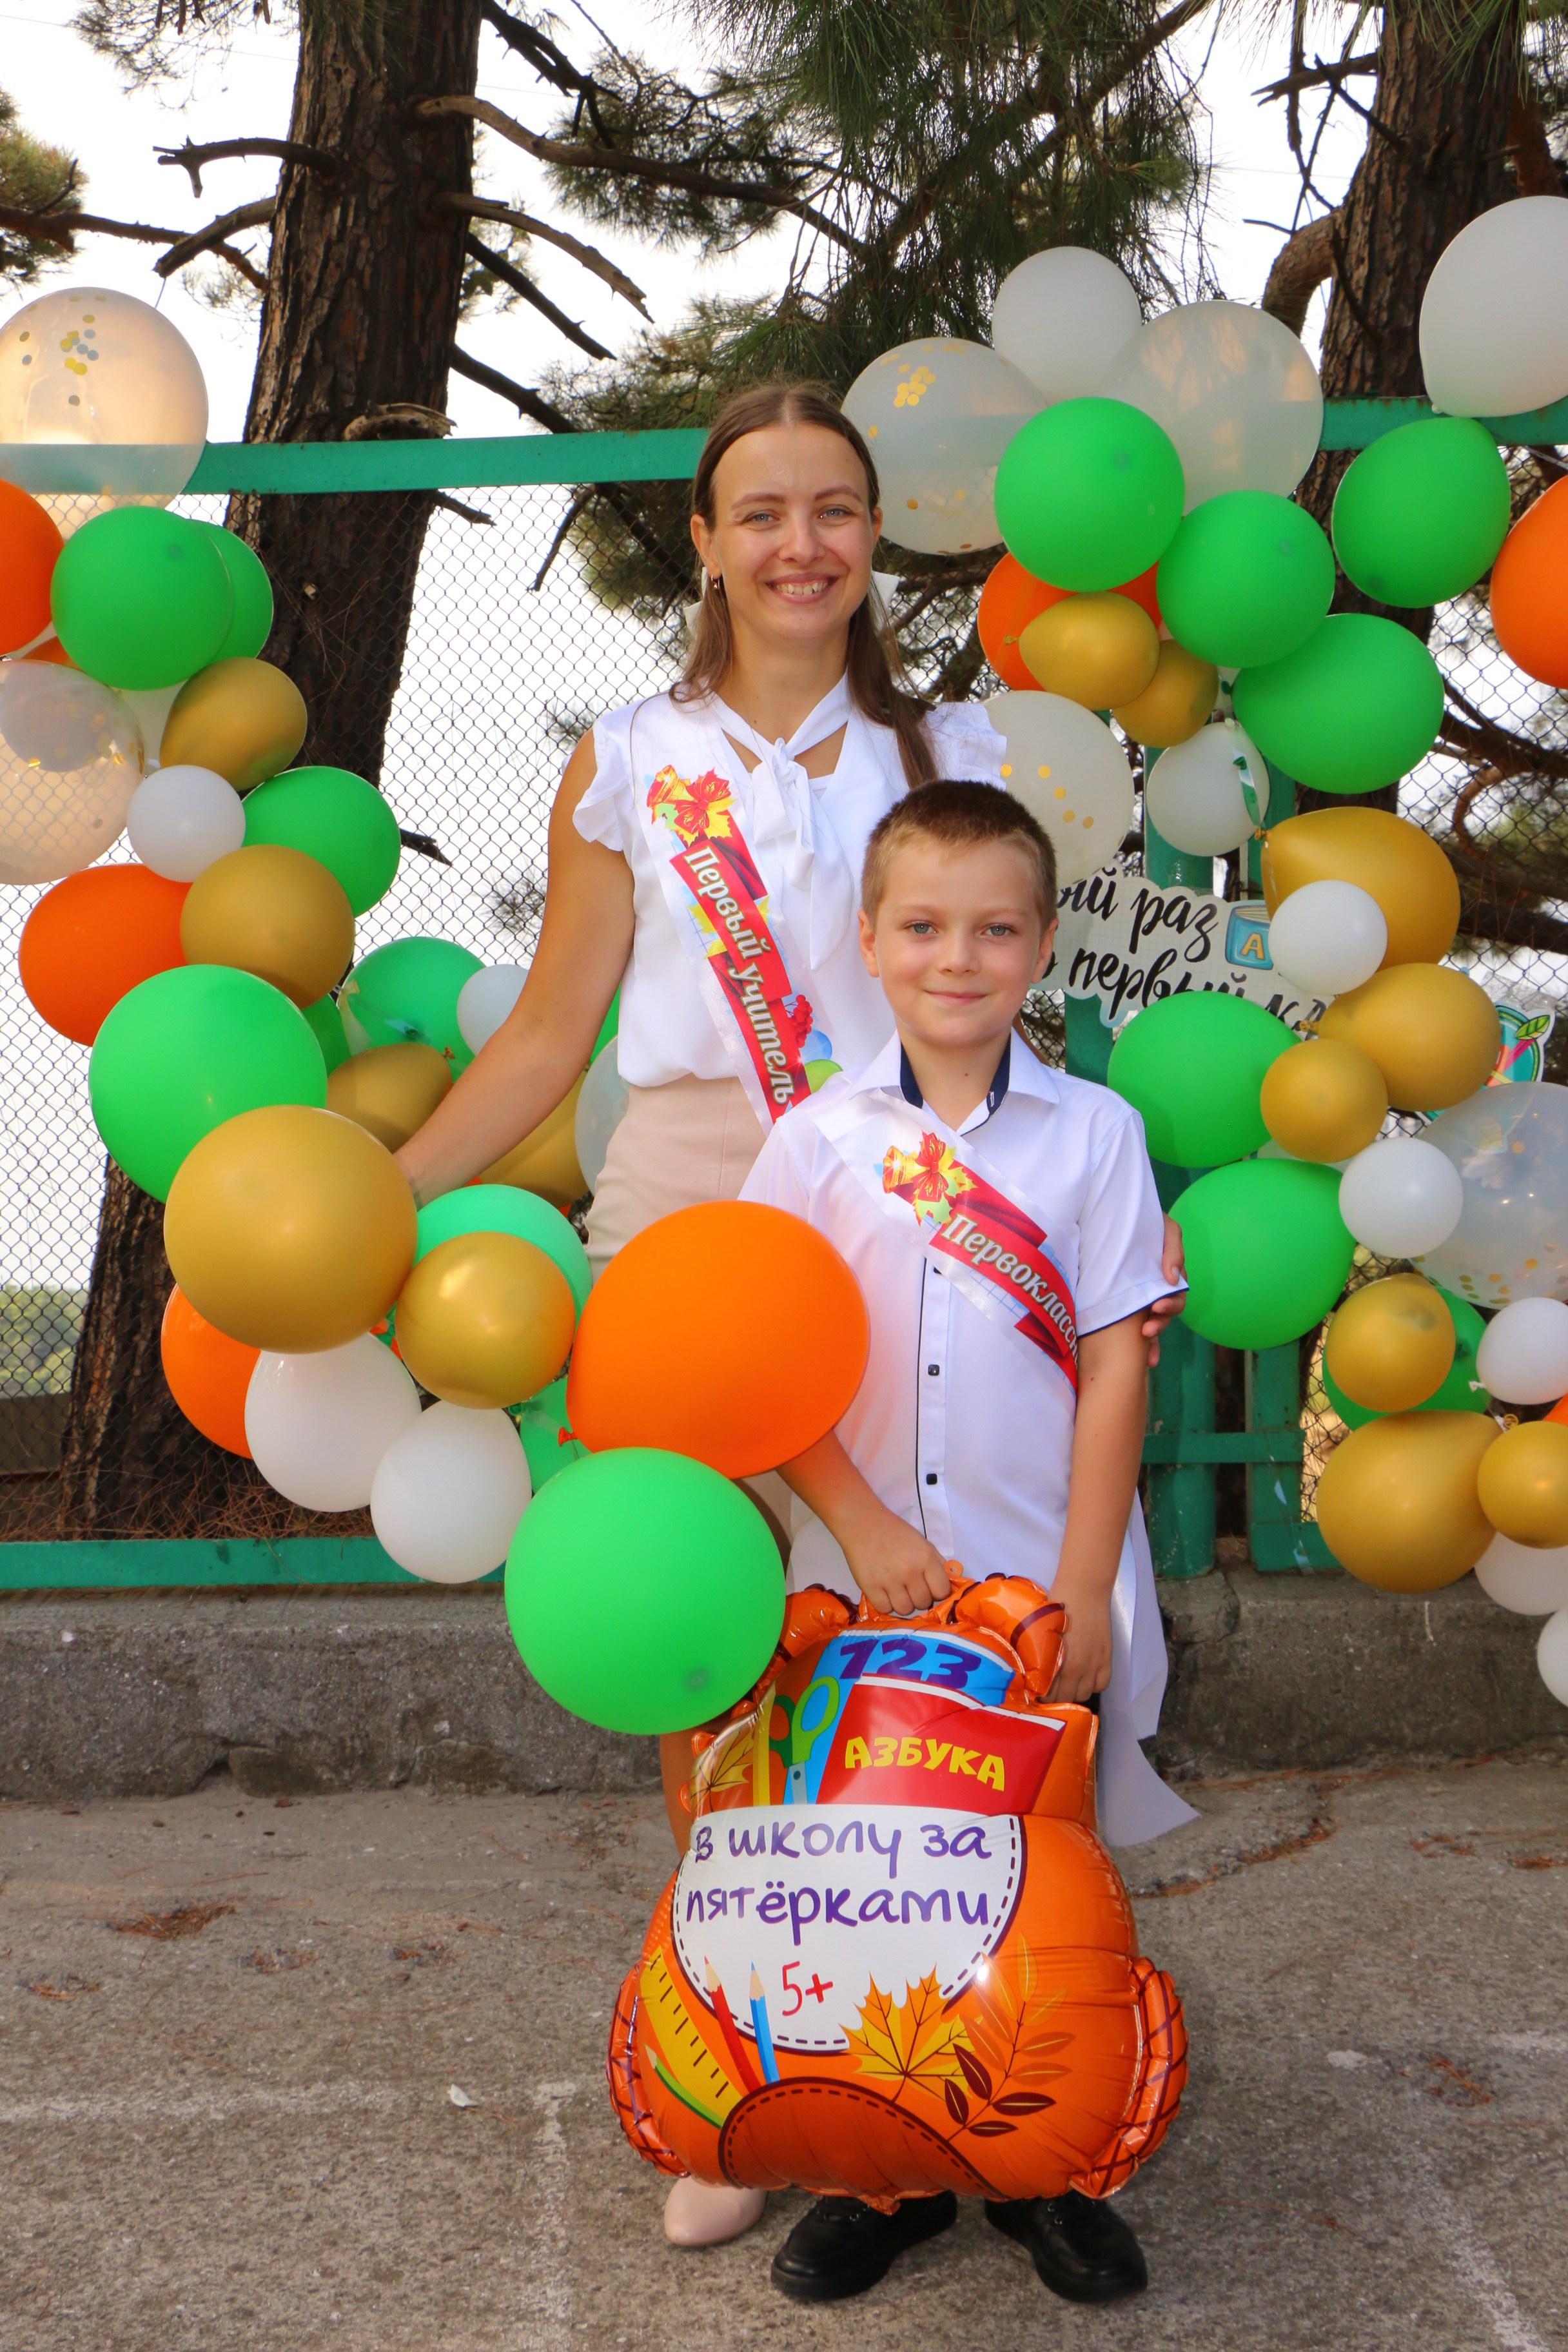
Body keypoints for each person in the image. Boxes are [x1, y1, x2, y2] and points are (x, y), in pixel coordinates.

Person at [398, 381, 1184, 2249]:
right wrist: (391, 1196)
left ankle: (994, 2037)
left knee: (967, 1623)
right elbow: (545, 1033)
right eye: (761, 511)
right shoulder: (630, 753)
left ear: (874, 533)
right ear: (704, 537)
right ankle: (750, 2047)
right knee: (724, 1641)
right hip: (694, 1200)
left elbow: (995, 962)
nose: (801, 544)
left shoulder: (955, 740)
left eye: (834, 508)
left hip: (915, 1189)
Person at [739, 778, 1195, 2308]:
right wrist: (860, 1526)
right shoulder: (810, 1144)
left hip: (1040, 1572)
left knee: (1046, 1886)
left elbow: (1122, 1354)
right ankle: (892, 2174)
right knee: (873, 1879)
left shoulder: (1095, 1134)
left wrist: (1081, 1581)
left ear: (1042, 945)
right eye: (924, 925)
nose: (959, 956)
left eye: (996, 927)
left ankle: (1051, 2166)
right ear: (866, 940)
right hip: (856, 1588)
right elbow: (757, 1364)